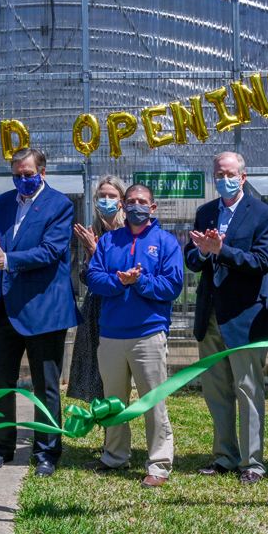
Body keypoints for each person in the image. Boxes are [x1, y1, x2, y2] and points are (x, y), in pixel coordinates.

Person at [0, 146, 81, 477]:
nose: (22, 180)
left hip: (44, 309)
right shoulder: (3, 203)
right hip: (6, 306)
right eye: (17, 175)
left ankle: (47, 452)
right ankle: (1, 447)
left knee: (46, 385)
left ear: (43, 173)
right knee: (1, 381)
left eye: (28, 174)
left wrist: (7, 260)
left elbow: (51, 251)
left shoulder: (61, 205)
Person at [184, 151, 268, 484]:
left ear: (243, 176)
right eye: (218, 173)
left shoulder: (262, 214)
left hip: (244, 316)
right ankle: (225, 456)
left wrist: (220, 250)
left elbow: (262, 261)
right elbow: (192, 259)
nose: (224, 178)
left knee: (248, 390)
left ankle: (253, 463)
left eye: (230, 173)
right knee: (217, 389)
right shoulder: (205, 212)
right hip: (210, 314)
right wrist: (200, 251)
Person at [85, 183, 183, 487]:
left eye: (142, 201)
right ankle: (114, 455)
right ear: (123, 207)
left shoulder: (166, 242)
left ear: (152, 208)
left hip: (149, 334)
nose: (136, 205)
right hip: (112, 334)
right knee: (114, 400)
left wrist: (138, 282)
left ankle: (158, 464)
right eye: (131, 201)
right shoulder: (109, 241)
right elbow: (94, 278)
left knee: (153, 402)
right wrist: (119, 280)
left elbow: (172, 286)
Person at [68, 176, 126, 403]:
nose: (106, 200)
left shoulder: (127, 232)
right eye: (102, 196)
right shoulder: (96, 229)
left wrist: (95, 252)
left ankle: (113, 430)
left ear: (121, 200)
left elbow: (119, 273)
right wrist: (89, 254)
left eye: (112, 196)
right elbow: (87, 277)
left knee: (113, 369)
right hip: (94, 307)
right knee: (94, 366)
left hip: (117, 306)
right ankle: (103, 422)